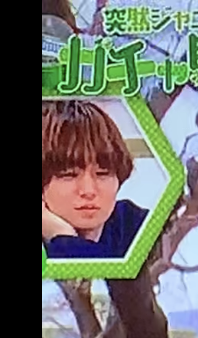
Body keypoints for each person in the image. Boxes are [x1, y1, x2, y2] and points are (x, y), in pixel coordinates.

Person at [42, 100, 151, 260]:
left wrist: (65, 239)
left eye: (102, 173)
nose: (88, 191)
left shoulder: (140, 227)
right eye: (69, 175)